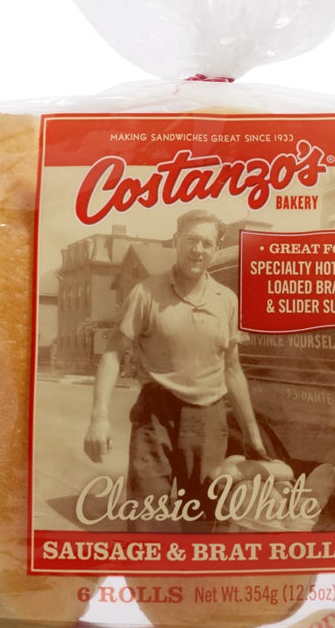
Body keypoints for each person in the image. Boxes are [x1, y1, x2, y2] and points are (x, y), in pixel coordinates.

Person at [83, 209, 268, 532]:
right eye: (191, 240)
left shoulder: (226, 300)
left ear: (216, 249)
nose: (198, 250)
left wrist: (253, 435)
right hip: (155, 417)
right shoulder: (145, 293)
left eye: (207, 243)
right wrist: (99, 418)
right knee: (146, 518)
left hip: (209, 420)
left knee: (206, 520)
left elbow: (233, 370)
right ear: (175, 241)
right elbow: (112, 354)